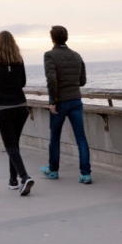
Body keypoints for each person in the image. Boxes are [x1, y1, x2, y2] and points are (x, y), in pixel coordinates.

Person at [0, 31, 35, 196]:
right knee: (14, 143)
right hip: (20, 106)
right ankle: (13, 180)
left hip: (3, 107)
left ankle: (24, 176)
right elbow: (23, 82)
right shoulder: (18, 60)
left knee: (10, 145)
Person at [41, 25, 92, 184]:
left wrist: (53, 101)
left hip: (60, 102)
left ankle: (53, 170)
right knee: (81, 138)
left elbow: (51, 79)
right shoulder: (76, 55)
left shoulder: (49, 55)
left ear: (52, 38)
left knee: (55, 137)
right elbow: (82, 81)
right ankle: (85, 174)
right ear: (66, 37)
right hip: (76, 100)